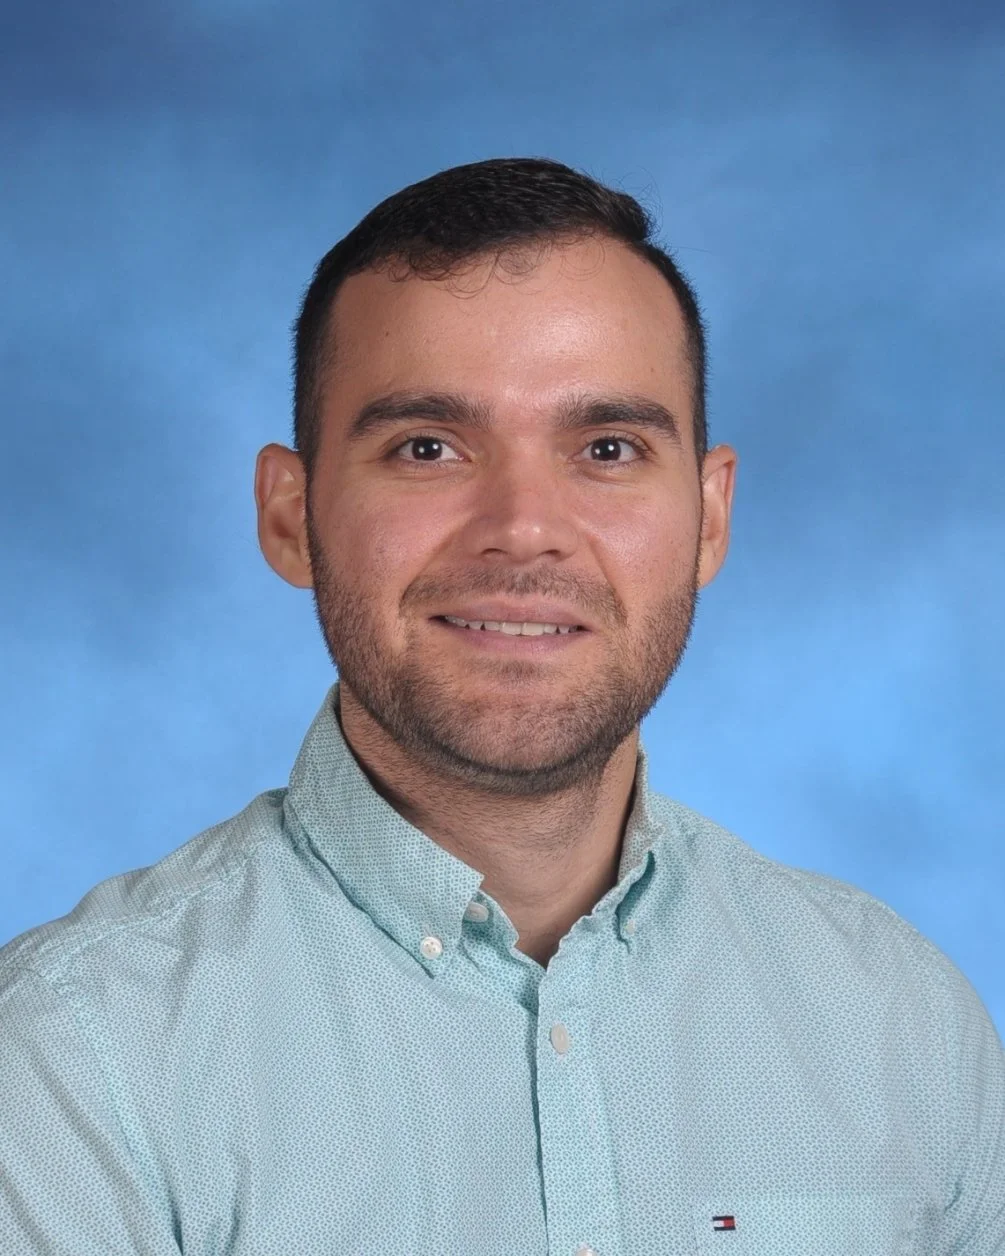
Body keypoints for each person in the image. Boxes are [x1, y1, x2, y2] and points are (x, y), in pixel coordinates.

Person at [1, 157, 1001, 1256]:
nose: (524, 528)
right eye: (427, 448)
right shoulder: (75, 1058)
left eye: (607, 449)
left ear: (709, 517)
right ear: (291, 515)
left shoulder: (898, 1022)